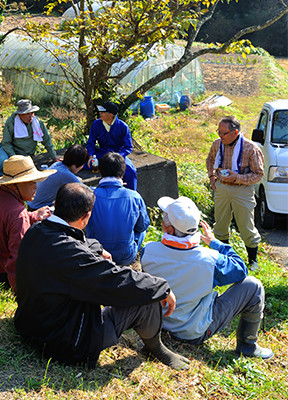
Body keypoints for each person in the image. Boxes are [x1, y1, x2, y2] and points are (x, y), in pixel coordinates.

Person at [14, 182, 190, 370]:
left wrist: (96, 247)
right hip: (66, 344)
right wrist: (161, 287)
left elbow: (74, 245)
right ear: (86, 216)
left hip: (30, 326)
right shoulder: (74, 257)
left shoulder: (36, 231)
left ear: (56, 204)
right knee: (148, 295)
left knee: (143, 287)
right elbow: (115, 279)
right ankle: (156, 348)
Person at [141, 196, 273, 359]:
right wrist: (216, 243)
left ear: (169, 230)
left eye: (163, 220)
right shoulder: (211, 259)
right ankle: (248, 345)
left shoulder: (148, 251)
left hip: (158, 326)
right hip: (193, 332)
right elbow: (241, 269)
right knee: (254, 285)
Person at [0, 155, 56, 292]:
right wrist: (20, 291)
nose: (36, 186)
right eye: (31, 182)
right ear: (16, 185)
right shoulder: (17, 214)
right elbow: (19, 259)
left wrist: (33, 216)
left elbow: (4, 220)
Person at [206, 116, 264, 270]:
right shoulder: (217, 144)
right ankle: (223, 259)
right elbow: (210, 160)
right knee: (220, 225)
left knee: (246, 226)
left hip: (242, 190)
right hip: (221, 188)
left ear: (235, 132)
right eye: (218, 131)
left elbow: (258, 174)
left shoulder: (250, 148)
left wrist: (237, 177)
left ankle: (253, 262)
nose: (219, 135)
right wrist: (212, 176)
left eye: (223, 133)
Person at [86, 152, 150, 266]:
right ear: (122, 173)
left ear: (100, 171)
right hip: (126, 256)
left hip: (98, 253)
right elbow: (143, 225)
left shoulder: (90, 195)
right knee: (143, 229)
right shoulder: (134, 196)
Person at [0, 99, 58, 182]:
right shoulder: (11, 122)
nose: (30, 116)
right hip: (8, 150)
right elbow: (6, 143)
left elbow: (47, 140)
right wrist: (14, 158)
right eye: (27, 113)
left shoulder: (37, 122)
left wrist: (54, 157)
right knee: (2, 160)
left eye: (32, 113)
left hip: (25, 153)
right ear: (20, 115)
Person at [86, 101, 137, 190]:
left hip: (118, 154)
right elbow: (91, 143)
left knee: (130, 171)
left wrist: (119, 156)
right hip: (102, 153)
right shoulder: (96, 124)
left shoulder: (123, 126)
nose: (100, 113)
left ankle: (131, 195)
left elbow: (128, 147)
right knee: (82, 163)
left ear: (110, 115)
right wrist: (91, 155)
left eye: (102, 112)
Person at [27, 144, 89, 210]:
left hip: (31, 203)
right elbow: (86, 190)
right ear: (74, 165)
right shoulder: (65, 174)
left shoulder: (57, 164)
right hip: (38, 208)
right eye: (82, 165)